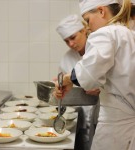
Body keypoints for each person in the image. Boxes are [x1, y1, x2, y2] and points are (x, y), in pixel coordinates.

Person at [53, 0, 135, 150]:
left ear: (102, 11)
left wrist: (67, 79)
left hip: (116, 128)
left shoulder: (106, 33)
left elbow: (88, 76)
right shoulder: (129, 34)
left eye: (88, 20)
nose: (88, 27)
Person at [56, 14, 100, 150]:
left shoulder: (99, 49)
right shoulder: (67, 59)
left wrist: (101, 89)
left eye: (73, 37)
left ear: (84, 30)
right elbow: (64, 87)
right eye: (66, 41)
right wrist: (58, 88)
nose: (71, 44)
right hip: (79, 114)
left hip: (103, 112)